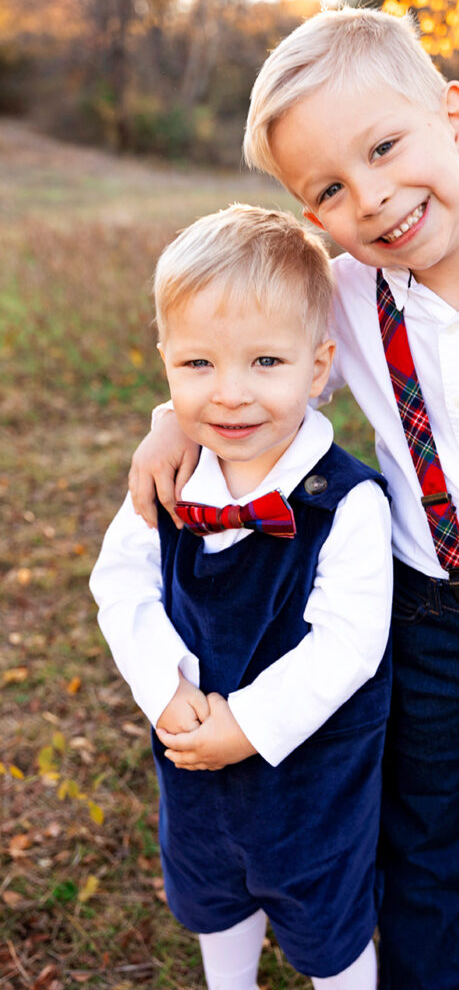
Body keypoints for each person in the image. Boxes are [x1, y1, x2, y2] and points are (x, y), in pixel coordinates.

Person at [127, 8, 459, 990]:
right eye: (330, 189)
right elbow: (260, 356)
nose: (373, 198)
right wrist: (173, 421)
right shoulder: (343, 297)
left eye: (384, 148)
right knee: (417, 829)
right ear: (312, 216)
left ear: (452, 118)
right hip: (422, 614)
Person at [90, 203, 393, 990]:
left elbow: (350, 643)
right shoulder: (167, 479)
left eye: (265, 362)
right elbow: (119, 580)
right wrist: (162, 685)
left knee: (329, 934)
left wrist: (250, 724)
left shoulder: (347, 502)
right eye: (198, 366)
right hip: (195, 767)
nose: (229, 395)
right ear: (165, 360)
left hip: (312, 789)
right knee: (214, 901)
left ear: (317, 365)